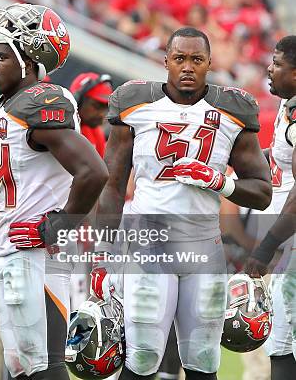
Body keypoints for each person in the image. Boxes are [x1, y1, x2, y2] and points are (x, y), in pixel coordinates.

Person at [91, 27, 272, 380]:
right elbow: (111, 186)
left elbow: (262, 193)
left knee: (203, 361)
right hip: (149, 247)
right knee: (141, 359)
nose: (187, 67)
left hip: (205, 247)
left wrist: (219, 181)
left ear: (208, 63)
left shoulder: (233, 111)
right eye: (179, 59)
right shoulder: (136, 103)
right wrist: (102, 252)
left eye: (196, 59)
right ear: (166, 62)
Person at [0, 3, 109, 379]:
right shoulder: (3, 104)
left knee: (44, 367)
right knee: (20, 366)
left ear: (30, 59)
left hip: (36, 257)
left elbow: (93, 171)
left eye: (2, 56)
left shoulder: (40, 102)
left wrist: (59, 224)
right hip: (10, 251)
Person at [244, 35, 296, 379]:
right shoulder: (286, 104)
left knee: (282, 337)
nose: (270, 68)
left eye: (278, 63)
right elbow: (279, 159)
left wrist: (264, 249)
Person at [69, 72, 113, 157]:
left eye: (105, 108)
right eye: (96, 106)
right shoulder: (58, 127)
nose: (102, 114)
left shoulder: (96, 132)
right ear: (77, 100)